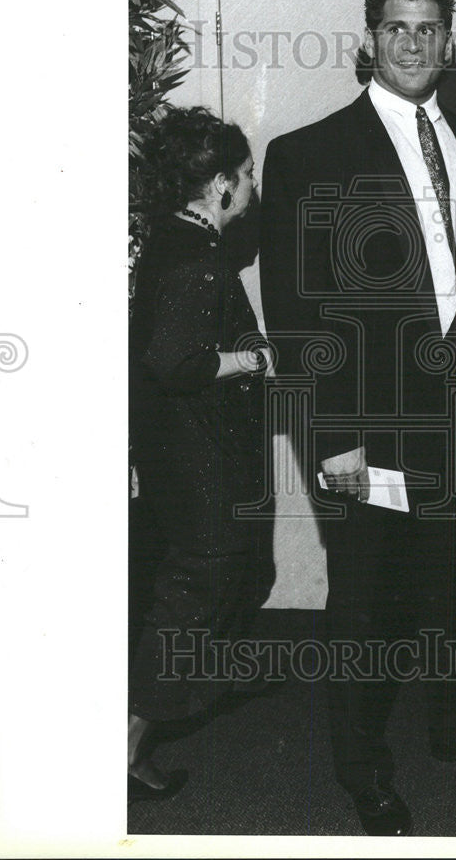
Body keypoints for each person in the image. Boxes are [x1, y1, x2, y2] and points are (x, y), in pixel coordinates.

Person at [260, 0, 456, 836]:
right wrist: (331, 434)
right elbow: (296, 311)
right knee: (366, 603)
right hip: (365, 420)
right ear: (368, 40)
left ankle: (455, 731)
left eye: (427, 29)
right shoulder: (308, 153)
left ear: (447, 44)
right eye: (395, 28)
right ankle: (363, 770)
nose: (412, 43)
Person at [129, 106, 274, 803]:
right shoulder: (198, 262)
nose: (251, 188)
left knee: (202, 587)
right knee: (190, 598)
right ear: (218, 185)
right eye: (245, 176)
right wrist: (247, 359)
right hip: (201, 463)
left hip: (177, 457)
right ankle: (123, 746)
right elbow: (173, 361)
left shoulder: (172, 239)